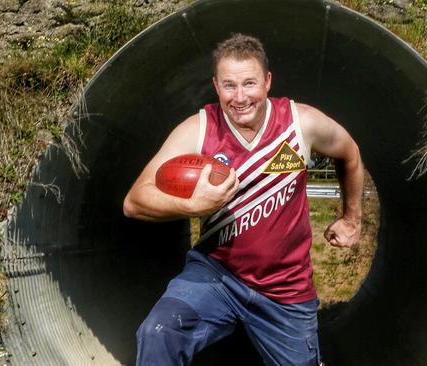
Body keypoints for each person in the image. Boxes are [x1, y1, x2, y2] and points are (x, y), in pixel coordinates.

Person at [123, 33, 364, 366]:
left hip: (286, 288)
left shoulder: (300, 123)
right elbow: (135, 199)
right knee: (158, 332)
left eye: (249, 83)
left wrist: (352, 219)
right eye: (229, 85)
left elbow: (349, 153)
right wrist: (193, 207)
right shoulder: (199, 128)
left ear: (267, 82)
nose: (239, 97)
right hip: (215, 276)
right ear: (215, 85)